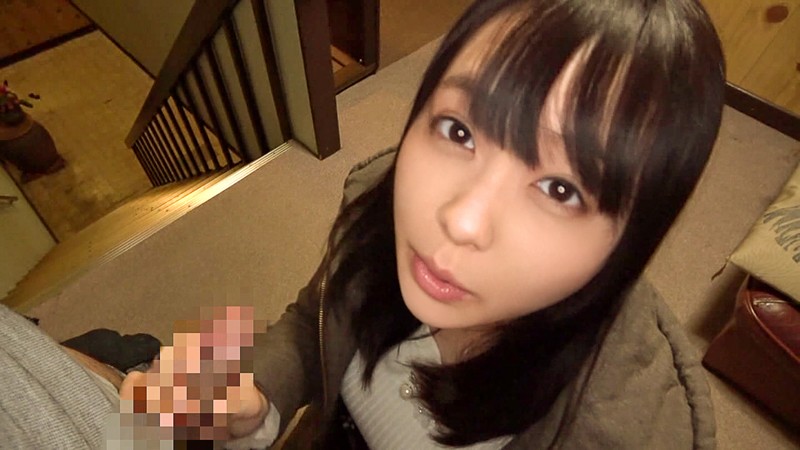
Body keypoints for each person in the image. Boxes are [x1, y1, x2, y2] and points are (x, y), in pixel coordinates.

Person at [120, 0, 726, 448]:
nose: (459, 220)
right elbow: (314, 322)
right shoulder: (381, 199)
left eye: (560, 189)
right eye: (459, 130)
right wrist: (258, 403)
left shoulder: (624, 427)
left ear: (631, 242)